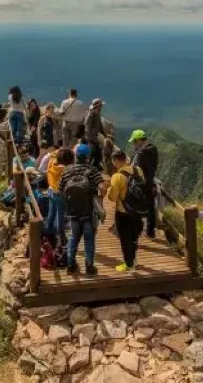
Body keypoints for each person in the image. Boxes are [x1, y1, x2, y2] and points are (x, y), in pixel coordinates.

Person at [59, 143, 105, 276]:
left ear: (76, 156)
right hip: (88, 212)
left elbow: (60, 189)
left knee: (73, 238)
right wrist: (100, 199)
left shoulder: (67, 171)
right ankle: (89, 267)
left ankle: (70, 265)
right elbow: (102, 187)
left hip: (72, 212)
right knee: (89, 240)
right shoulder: (93, 171)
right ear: (88, 157)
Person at [107, 149, 150, 272]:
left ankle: (129, 264)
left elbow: (112, 198)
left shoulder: (117, 176)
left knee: (125, 240)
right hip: (138, 211)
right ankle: (134, 260)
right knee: (134, 237)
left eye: (113, 162)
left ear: (116, 161)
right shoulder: (138, 170)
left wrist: (110, 189)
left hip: (124, 212)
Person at [129, 129, 160, 239]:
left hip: (140, 184)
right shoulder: (154, 150)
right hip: (150, 182)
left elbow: (134, 170)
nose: (133, 145)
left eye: (134, 142)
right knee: (150, 207)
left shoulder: (140, 155)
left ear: (138, 141)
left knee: (134, 207)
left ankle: (136, 232)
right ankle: (150, 232)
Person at [83, 98, 107, 170]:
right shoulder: (90, 116)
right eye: (100, 106)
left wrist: (105, 135)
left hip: (95, 137)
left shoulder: (97, 114)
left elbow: (100, 126)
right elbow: (87, 129)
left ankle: (95, 166)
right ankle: (88, 168)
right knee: (92, 153)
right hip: (90, 138)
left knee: (98, 154)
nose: (101, 107)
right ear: (97, 106)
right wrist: (93, 139)